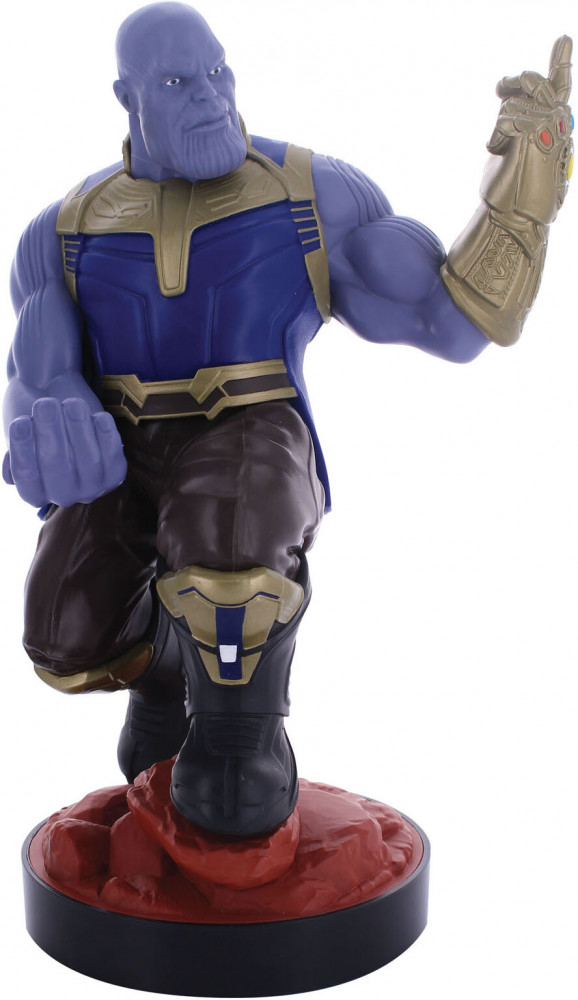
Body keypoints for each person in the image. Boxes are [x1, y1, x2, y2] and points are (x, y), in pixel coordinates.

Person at [3, 2, 572, 837]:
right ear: (128, 97)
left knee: (229, 527)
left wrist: (522, 203)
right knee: (64, 636)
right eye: (178, 81)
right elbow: (35, 369)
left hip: (250, 428)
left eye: (217, 72)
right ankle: (169, 666)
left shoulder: (308, 194)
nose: (209, 96)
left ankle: (240, 738)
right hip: (125, 445)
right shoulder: (63, 230)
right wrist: (49, 416)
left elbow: (448, 321)